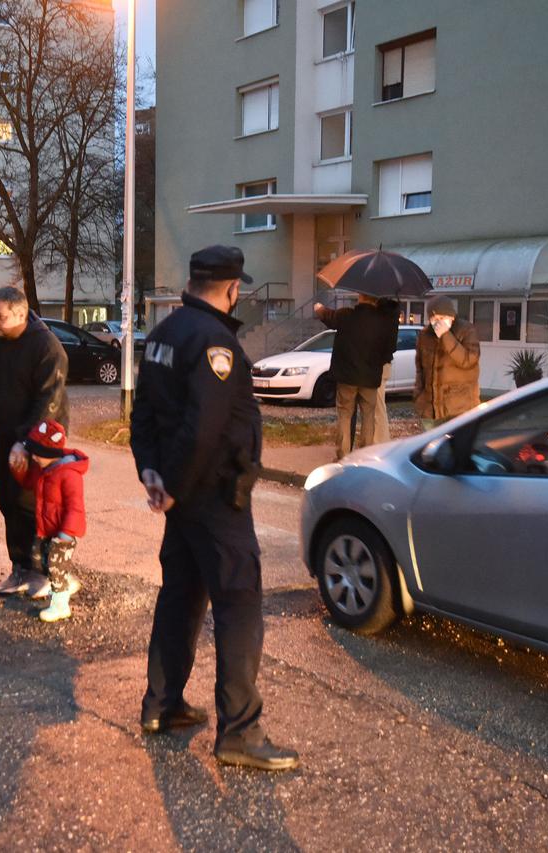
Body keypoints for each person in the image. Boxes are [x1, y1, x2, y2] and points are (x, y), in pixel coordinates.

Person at [131, 244, 298, 772]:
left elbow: (145, 414)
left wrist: (153, 474)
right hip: (215, 495)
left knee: (180, 596)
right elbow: (202, 427)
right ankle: (240, 732)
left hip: (183, 496)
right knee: (238, 604)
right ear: (231, 289)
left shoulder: (163, 334)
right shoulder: (215, 342)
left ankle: (162, 704)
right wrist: (174, 482)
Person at [0, 286, 68, 599]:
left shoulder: (46, 346)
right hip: (6, 438)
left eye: (0, 316)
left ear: (21, 314)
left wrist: (27, 442)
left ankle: (43, 571)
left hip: (42, 443)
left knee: (33, 505)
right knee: (8, 501)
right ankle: (19, 566)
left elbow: (49, 399)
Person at [12, 419, 88, 623]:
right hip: (48, 530)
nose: (34, 457)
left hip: (64, 533)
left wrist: (65, 534)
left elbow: (75, 507)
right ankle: (65, 582)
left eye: (38, 453)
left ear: (50, 453)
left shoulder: (69, 474)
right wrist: (18, 469)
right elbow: (29, 483)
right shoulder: (43, 467)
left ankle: (60, 605)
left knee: (55, 565)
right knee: (43, 561)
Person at [312, 293, 399, 459]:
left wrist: (319, 308)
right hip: (370, 379)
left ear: (361, 298)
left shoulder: (346, 315)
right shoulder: (383, 322)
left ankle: (343, 455)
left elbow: (329, 317)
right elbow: (389, 350)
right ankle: (365, 455)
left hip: (347, 377)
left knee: (345, 416)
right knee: (368, 417)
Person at [414, 296, 481, 430]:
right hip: (429, 409)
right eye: (434, 319)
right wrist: (418, 397)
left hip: (459, 408)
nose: (437, 322)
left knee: (456, 448)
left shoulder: (466, 330)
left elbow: (469, 360)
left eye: (441, 318)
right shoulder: (425, 335)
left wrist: (445, 336)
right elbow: (420, 369)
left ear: (451, 316)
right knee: (431, 448)